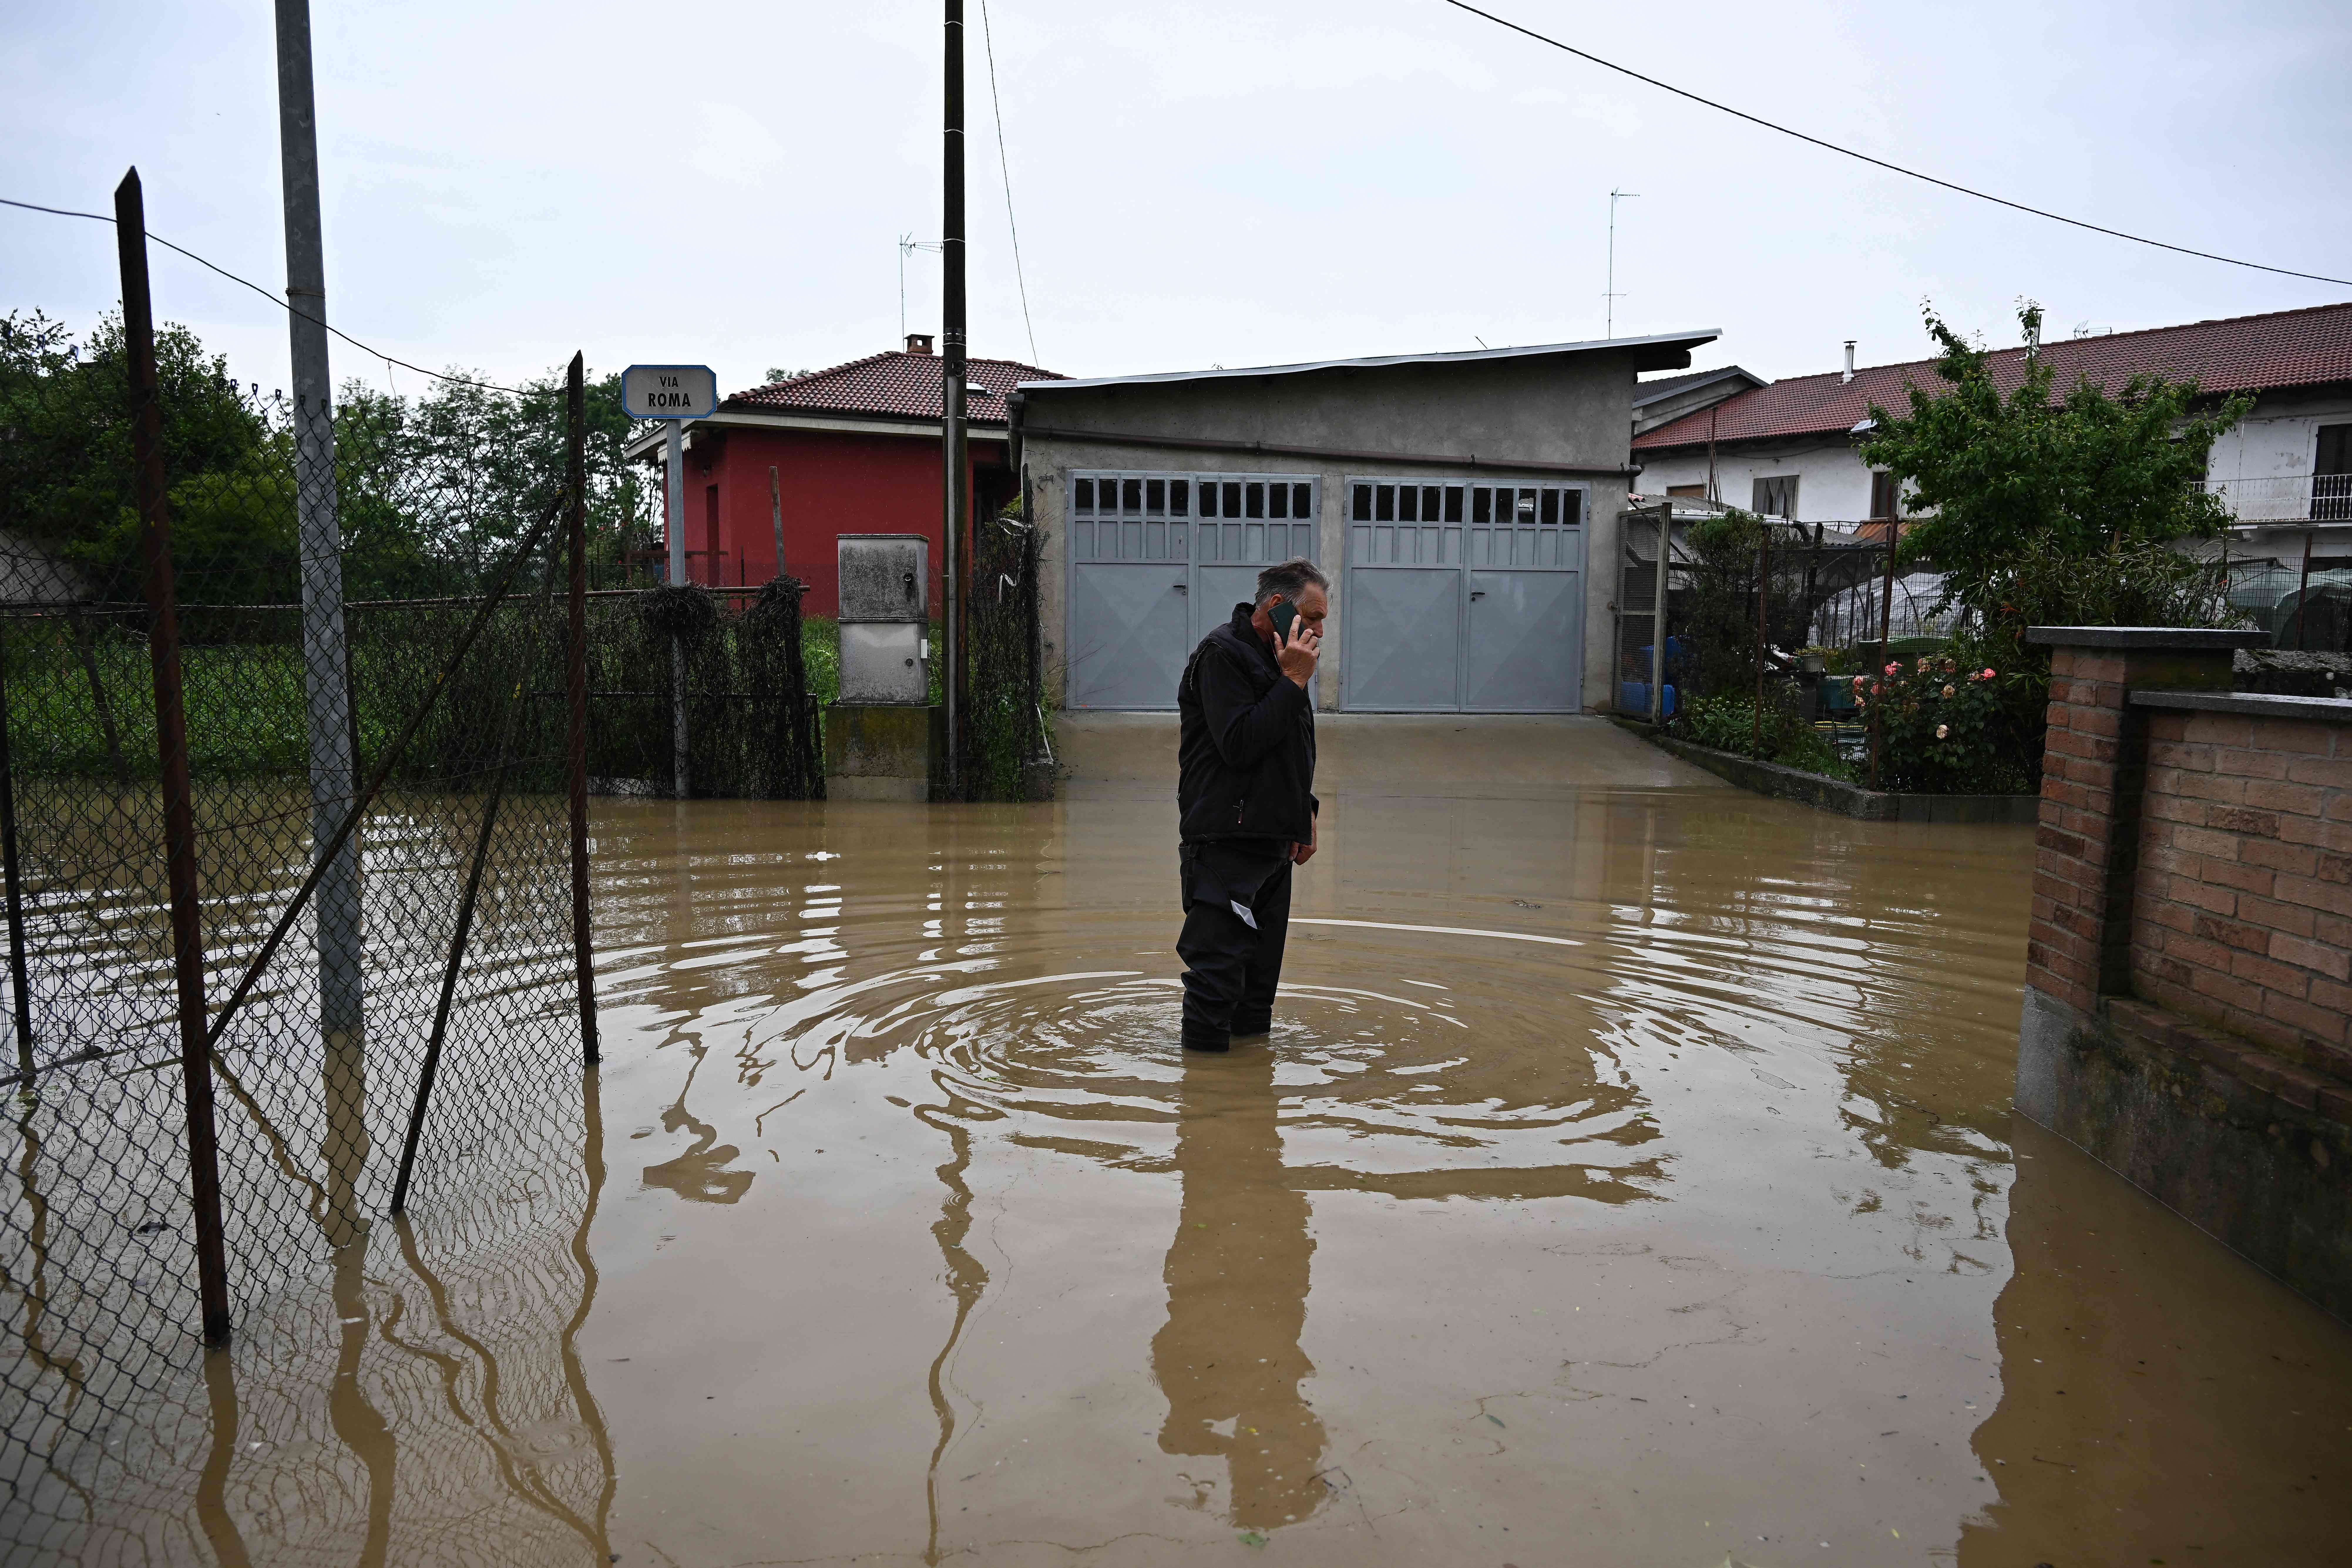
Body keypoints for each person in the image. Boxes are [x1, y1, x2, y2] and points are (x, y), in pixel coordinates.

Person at [1174, 557, 1327, 1054]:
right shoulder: (1223, 654)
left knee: (1256, 997)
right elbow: (1240, 744)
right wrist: (1292, 683)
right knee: (1215, 986)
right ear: (1278, 606)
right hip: (1226, 844)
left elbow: (1292, 747)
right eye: (1314, 616)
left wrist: (1306, 813)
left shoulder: (1284, 658)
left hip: (1273, 847)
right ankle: (1205, 1107)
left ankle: (1251, 1114)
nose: (1320, 630)